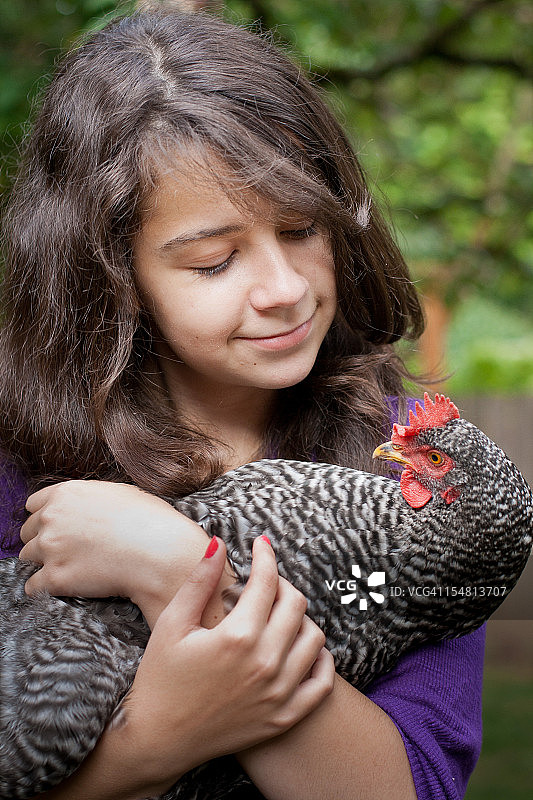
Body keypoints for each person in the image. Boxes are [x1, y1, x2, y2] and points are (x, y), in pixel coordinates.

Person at [0, 7, 485, 800]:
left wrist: (180, 570)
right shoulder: (18, 460)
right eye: (214, 261)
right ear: (110, 278)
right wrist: (152, 746)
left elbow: (414, 786)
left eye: (301, 229)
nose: (286, 290)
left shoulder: (423, 467)